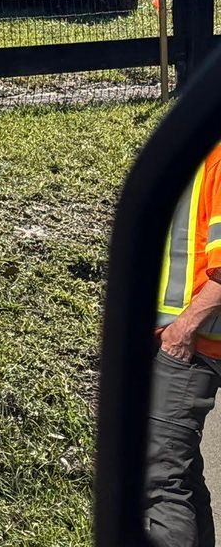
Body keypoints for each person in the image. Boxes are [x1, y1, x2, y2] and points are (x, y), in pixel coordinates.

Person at [152, 139, 221, 547]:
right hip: (189, 344)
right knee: (183, 478)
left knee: (159, 481)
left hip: (193, 348)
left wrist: (183, 330)